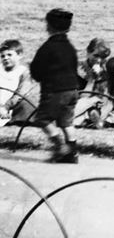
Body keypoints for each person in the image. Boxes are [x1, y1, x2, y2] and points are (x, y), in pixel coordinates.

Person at [28, 9, 79, 163]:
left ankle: (61, 147)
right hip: (72, 90)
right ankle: (73, 152)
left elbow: (36, 70)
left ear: (48, 27)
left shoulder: (47, 48)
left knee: (42, 119)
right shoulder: (70, 47)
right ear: (68, 28)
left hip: (55, 90)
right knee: (66, 122)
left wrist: (40, 77)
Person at [75, 37, 112, 127]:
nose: (99, 60)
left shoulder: (108, 70)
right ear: (88, 53)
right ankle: (89, 118)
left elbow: (106, 96)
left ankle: (91, 118)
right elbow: (81, 95)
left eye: (103, 57)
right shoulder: (77, 69)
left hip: (101, 105)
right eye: (96, 56)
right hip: (81, 103)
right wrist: (92, 79)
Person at [0, 39, 37, 124]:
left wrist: (6, 106)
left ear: (19, 55)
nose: (6, 58)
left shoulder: (23, 72)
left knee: (26, 105)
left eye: (9, 55)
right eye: (2, 56)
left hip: (12, 105)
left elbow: (21, 93)